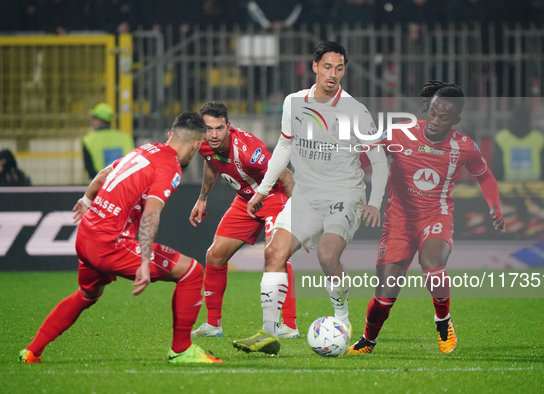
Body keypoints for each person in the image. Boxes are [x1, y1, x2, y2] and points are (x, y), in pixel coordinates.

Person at [19, 112, 223, 364]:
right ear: (195, 144)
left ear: (170, 135)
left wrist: (86, 200)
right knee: (191, 272)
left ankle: (32, 351)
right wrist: (145, 263)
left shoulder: (145, 149)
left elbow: (105, 173)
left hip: (86, 235)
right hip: (110, 244)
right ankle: (181, 350)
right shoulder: (170, 167)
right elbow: (151, 214)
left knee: (87, 293)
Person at [233, 41, 389, 355]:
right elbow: (285, 147)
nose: (333, 74)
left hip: (344, 195)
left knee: (327, 256)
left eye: (340, 68)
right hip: (305, 195)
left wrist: (374, 201)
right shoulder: (293, 103)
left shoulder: (355, 110)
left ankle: (342, 318)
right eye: (328, 67)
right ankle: (268, 333)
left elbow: (380, 159)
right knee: (273, 254)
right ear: (314, 66)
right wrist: (263, 189)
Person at [348, 80, 506, 355]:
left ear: (455, 120)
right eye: (432, 113)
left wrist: (495, 207)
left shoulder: (464, 146)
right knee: (386, 293)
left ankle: (443, 322)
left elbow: (485, 176)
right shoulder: (398, 134)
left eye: (443, 117)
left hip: (436, 216)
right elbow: (363, 161)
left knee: (432, 264)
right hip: (398, 221)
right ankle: (368, 340)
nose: (434, 121)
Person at [189, 102, 299, 339]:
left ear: (228, 126)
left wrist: (296, 213)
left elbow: (285, 174)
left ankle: (289, 326)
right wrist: (202, 198)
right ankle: (212, 325)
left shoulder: (248, 150)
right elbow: (211, 165)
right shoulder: (204, 144)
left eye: (219, 128)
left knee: (276, 256)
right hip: (244, 201)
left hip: (273, 196)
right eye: (209, 129)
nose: (214, 134)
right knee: (214, 255)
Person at [491, 103, 544, 181]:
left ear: (512, 118)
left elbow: (497, 168)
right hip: (534, 188)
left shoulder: (501, 138)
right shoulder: (538, 139)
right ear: (529, 119)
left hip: (508, 187)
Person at [82, 102, 135, 180]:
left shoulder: (88, 140)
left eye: (94, 118)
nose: (92, 121)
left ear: (99, 121)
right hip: (124, 184)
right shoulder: (126, 138)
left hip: (99, 187)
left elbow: (89, 168)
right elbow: (133, 163)